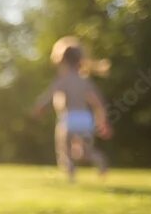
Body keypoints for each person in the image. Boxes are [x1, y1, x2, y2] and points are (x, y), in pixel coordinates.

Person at [33, 37, 112, 182]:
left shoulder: (63, 79)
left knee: (65, 149)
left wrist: (40, 106)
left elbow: (49, 94)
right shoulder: (84, 80)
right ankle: (100, 161)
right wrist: (103, 120)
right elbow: (97, 102)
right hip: (84, 118)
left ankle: (71, 174)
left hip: (69, 118)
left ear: (62, 61)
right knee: (85, 151)